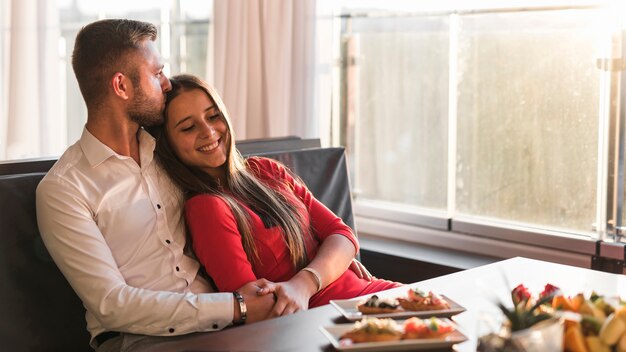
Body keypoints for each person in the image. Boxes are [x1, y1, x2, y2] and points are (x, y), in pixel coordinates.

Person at [36, 19, 276, 351]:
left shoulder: (171, 150)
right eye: (156, 72)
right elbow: (112, 304)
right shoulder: (64, 190)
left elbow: (242, 194)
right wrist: (237, 307)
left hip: (225, 327)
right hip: (139, 339)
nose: (166, 84)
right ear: (121, 86)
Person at [153, 74, 403, 316]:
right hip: (328, 318)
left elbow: (343, 235)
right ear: (168, 144)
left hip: (369, 296)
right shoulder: (206, 208)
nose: (208, 132)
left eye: (213, 116)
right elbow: (254, 306)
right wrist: (330, 264)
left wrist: (305, 282)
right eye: (188, 127)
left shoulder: (264, 169)